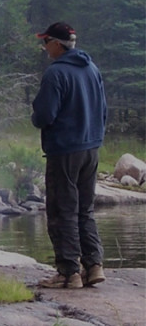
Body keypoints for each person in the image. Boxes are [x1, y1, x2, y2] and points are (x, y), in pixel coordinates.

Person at [32, 22, 107, 289]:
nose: (44, 48)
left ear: (56, 44)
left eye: (45, 43)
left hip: (64, 151)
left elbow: (43, 116)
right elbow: (103, 110)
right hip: (91, 149)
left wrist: (35, 113)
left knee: (62, 210)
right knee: (85, 210)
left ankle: (68, 273)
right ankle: (94, 265)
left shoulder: (56, 73)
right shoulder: (92, 68)